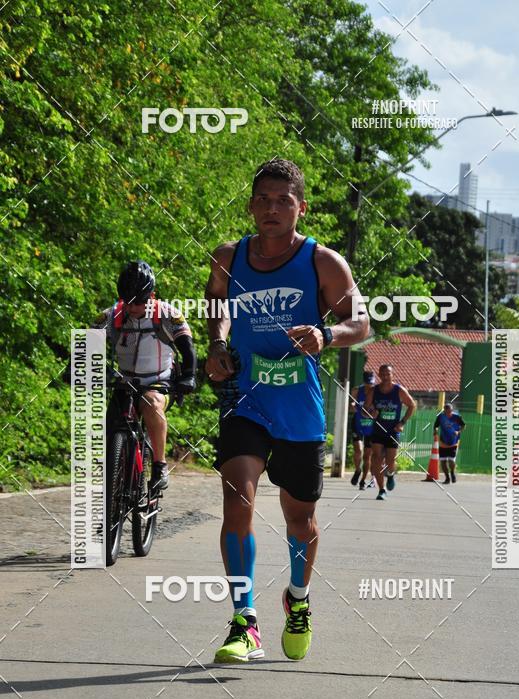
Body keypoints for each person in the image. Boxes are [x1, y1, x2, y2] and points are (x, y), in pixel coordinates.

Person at [205, 158, 369, 664]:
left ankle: (298, 598)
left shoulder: (323, 263)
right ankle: (244, 621)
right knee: (238, 501)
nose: (271, 209)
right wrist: (217, 344)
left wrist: (327, 334)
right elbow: (216, 302)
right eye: (263, 199)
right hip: (246, 400)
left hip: (299, 408)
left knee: (300, 520)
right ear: (251, 206)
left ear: (301, 207)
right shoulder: (229, 257)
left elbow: (361, 323)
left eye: (283, 200)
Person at [96, 260, 197, 490]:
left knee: (151, 403)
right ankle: (112, 482)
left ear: (151, 295)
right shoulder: (112, 315)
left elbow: (188, 349)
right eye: (127, 301)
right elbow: (87, 344)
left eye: (139, 302)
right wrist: (75, 368)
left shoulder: (167, 314)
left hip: (158, 380)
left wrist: (189, 376)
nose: (133, 308)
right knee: (109, 430)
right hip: (125, 381)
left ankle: (160, 465)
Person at [369, 363, 416, 501]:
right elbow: (365, 408)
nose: (385, 377)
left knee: (390, 461)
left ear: (392, 375)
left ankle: (390, 474)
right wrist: (371, 412)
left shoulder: (399, 390)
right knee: (376, 459)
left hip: (393, 431)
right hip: (378, 430)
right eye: (382, 374)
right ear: (379, 375)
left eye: (388, 374)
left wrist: (402, 422)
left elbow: (412, 405)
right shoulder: (374, 391)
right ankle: (382, 490)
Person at [349, 370, 376, 490]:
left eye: (371, 384)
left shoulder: (377, 392)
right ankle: (357, 470)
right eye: (367, 384)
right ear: (364, 382)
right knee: (358, 450)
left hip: (371, 426)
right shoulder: (356, 390)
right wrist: (353, 407)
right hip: (358, 424)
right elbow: (351, 406)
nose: (369, 386)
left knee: (367, 455)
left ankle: (363, 480)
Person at [434, 403, 466, 484]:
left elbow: (463, 425)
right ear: (444, 411)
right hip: (443, 442)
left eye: (450, 411)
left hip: (453, 442)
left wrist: (458, 432)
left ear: (452, 410)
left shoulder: (457, 417)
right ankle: (447, 478)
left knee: (451, 461)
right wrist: (435, 431)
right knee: (443, 461)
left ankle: (452, 473)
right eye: (446, 412)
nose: (448, 413)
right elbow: (436, 426)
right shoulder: (441, 417)